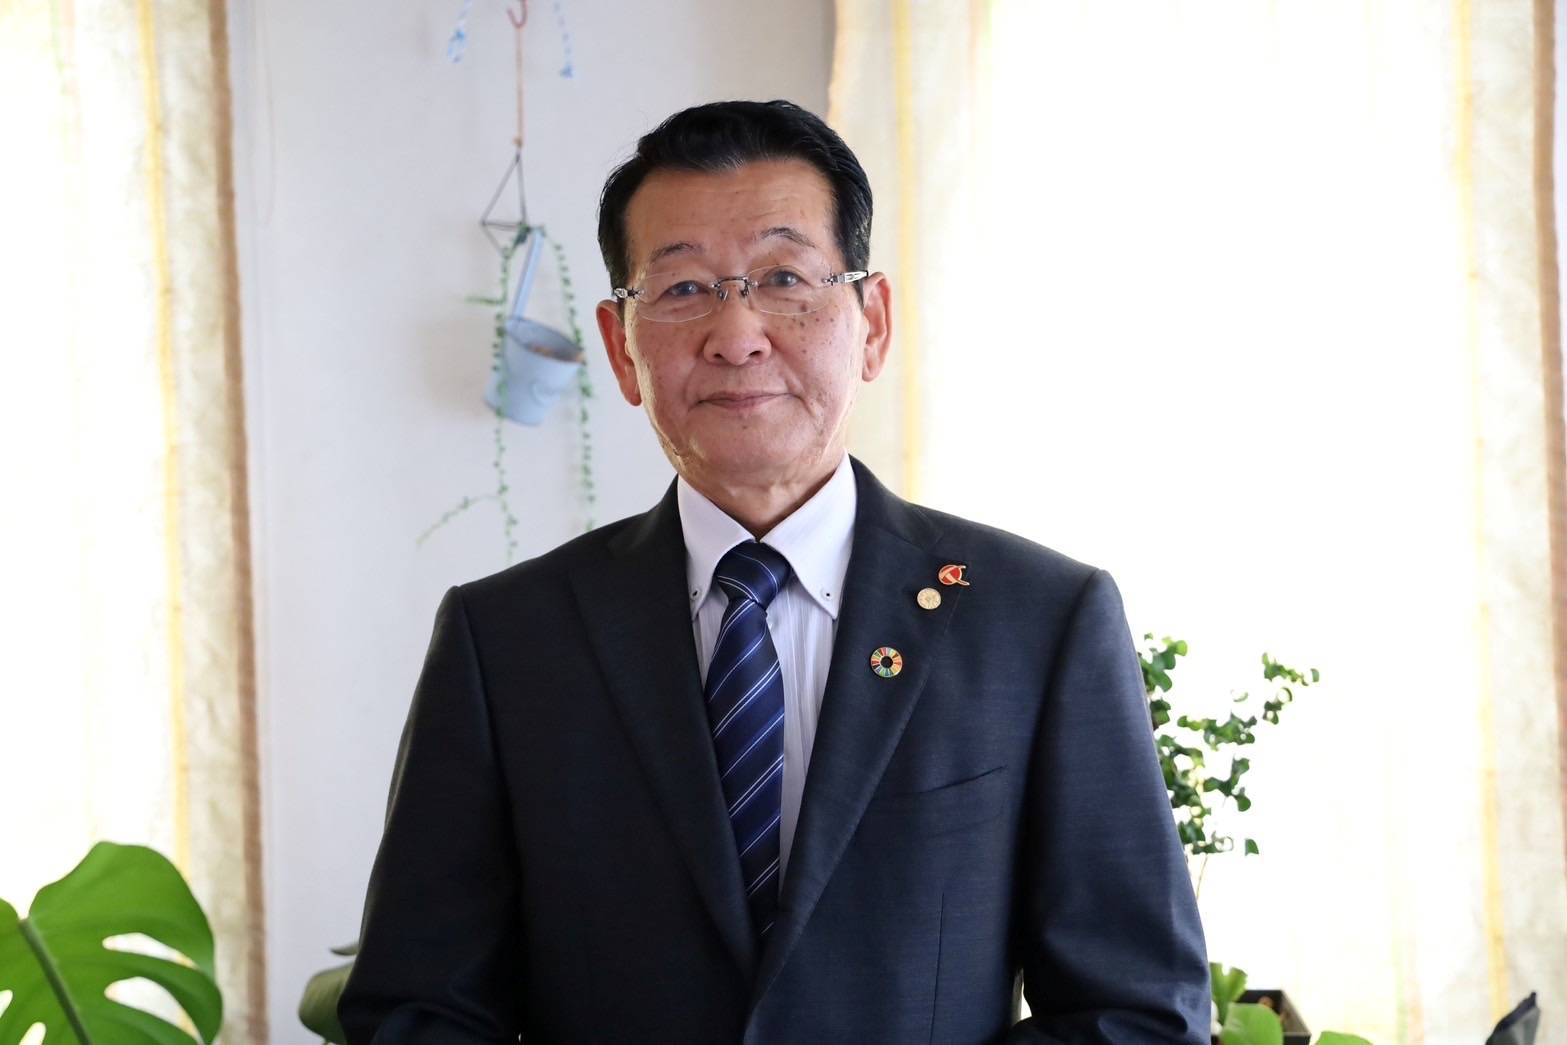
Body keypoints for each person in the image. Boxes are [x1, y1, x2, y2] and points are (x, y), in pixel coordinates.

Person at [339, 99, 1209, 1044]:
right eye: (682, 288)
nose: (737, 333)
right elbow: (418, 1009)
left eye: (785, 278)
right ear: (621, 348)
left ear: (871, 323)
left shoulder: (1037, 621)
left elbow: (1136, 1010)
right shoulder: (507, 639)